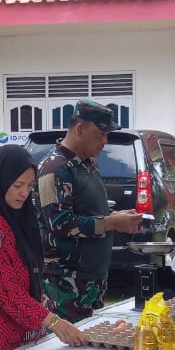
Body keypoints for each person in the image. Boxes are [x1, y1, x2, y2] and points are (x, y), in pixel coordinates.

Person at [0, 146, 86, 350]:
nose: (24, 193)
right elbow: (8, 293)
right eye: (17, 185)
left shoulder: (19, 218)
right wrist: (55, 322)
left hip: (22, 335)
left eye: (29, 186)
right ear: (0, 180)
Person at [36, 99, 145, 321]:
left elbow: (87, 212)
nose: (105, 141)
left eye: (107, 135)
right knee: (68, 341)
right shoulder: (54, 168)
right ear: (79, 128)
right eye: (100, 134)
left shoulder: (87, 164)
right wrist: (111, 223)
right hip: (65, 282)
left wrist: (117, 218)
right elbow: (59, 223)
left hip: (91, 278)